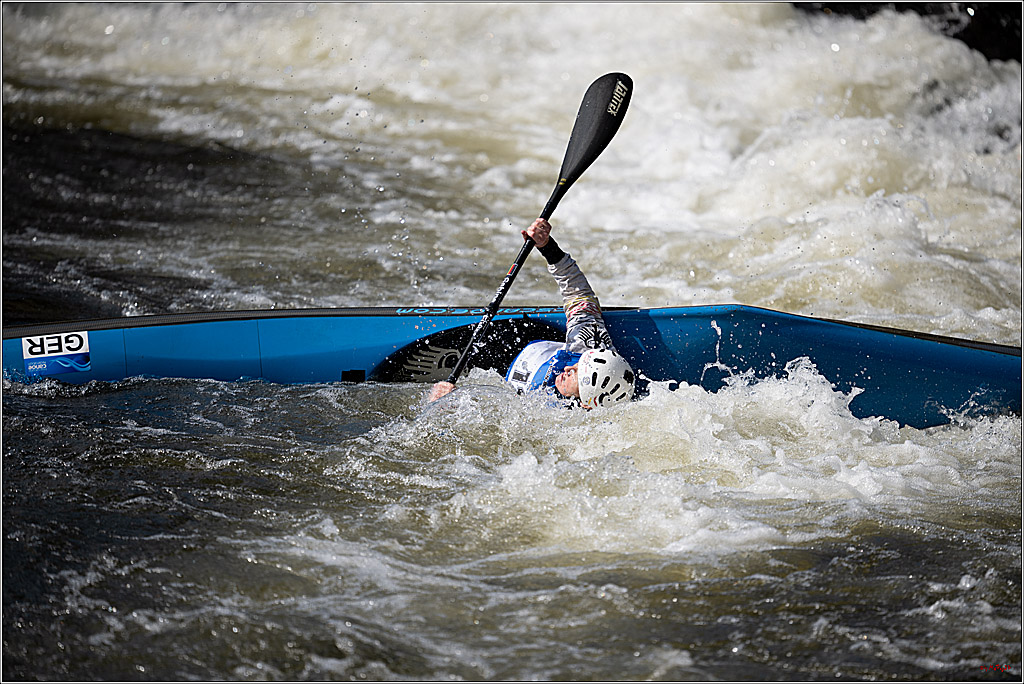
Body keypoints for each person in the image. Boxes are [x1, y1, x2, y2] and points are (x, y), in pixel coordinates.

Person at [428, 218, 635, 409]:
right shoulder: (591, 345)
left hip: (501, 374)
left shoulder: (558, 420)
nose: (570, 369)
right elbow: (578, 294)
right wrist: (547, 246)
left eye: (577, 376)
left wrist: (453, 402)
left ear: (586, 404)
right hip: (524, 340)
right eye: (579, 364)